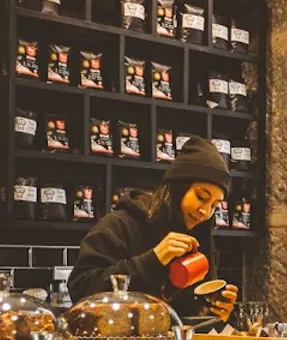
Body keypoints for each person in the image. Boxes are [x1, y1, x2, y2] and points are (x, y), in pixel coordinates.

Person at [68, 136, 238, 321]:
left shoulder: (198, 239)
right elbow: (80, 288)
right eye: (201, 197)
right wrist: (153, 259)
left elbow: (185, 317)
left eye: (215, 205)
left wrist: (213, 312)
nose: (205, 212)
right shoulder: (121, 225)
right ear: (178, 188)